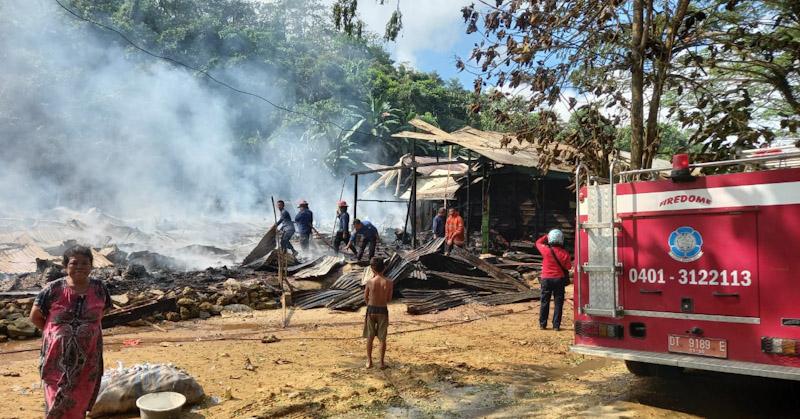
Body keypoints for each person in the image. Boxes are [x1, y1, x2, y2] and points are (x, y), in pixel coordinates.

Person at [30, 245, 112, 419]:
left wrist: (87, 329)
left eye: (85, 263)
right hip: (56, 359)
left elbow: (103, 312)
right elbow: (35, 316)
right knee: (55, 400)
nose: (80, 267)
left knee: (80, 398)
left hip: (88, 357)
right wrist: (54, 333)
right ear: (66, 265)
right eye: (74, 263)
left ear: (91, 266)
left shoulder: (99, 288)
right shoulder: (52, 289)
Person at [535, 229, 572, 331]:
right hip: (559, 280)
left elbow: (538, 242)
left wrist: (547, 236)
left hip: (546, 279)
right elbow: (568, 267)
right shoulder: (565, 253)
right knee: (558, 303)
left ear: (550, 239)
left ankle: (543, 324)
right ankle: (556, 326)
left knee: (544, 302)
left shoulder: (545, 250)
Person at [363, 257, 393, 369]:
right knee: (382, 338)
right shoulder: (389, 282)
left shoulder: (370, 282)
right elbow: (389, 299)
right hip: (383, 310)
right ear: (384, 268)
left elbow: (365, 297)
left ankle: (369, 361)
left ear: (372, 269)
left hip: (371, 310)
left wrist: (370, 304)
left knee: (370, 337)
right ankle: (381, 362)